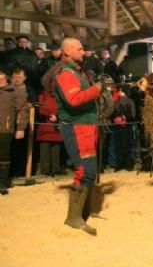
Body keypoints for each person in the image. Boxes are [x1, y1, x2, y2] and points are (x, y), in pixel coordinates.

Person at [53, 38, 102, 235]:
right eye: (79, 49)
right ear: (67, 52)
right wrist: (96, 89)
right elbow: (73, 100)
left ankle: (85, 212)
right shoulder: (66, 73)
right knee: (85, 171)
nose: (84, 52)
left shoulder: (75, 71)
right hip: (77, 127)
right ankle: (73, 218)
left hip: (86, 126)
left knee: (90, 169)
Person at [0, 69, 29, 195]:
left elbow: (22, 110)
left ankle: (2, 182)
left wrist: (21, 128)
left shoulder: (15, 91)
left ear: (4, 78)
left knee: (4, 156)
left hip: (5, 128)